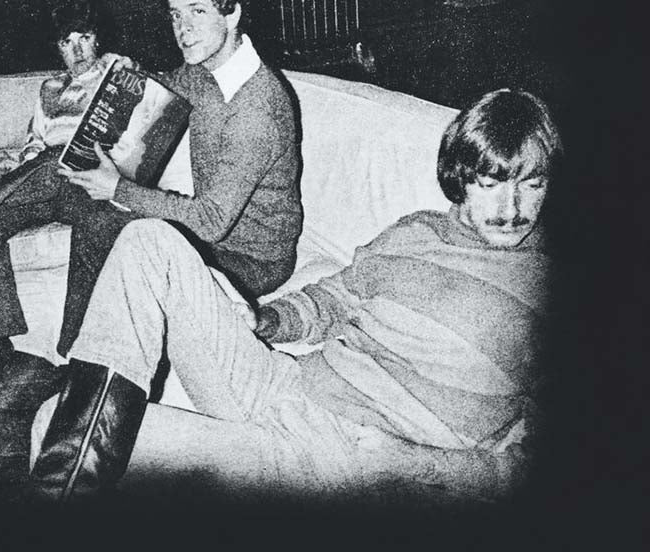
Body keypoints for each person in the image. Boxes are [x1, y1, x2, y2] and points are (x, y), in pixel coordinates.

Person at [31, 88, 561, 501]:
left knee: (57, 432)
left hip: (339, 459)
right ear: (462, 178)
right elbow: (333, 299)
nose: (511, 208)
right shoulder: (415, 230)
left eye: (531, 184)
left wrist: (409, 461)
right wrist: (263, 320)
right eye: (492, 182)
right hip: (287, 385)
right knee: (148, 241)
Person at [61, 0, 303, 312]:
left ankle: (99, 346)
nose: (182, 29)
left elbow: (211, 221)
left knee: (134, 258)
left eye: (197, 11)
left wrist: (118, 188)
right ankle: (79, 345)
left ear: (232, 14)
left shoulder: (256, 108)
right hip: (214, 236)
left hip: (251, 259)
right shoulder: (208, 64)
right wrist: (136, 73)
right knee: (94, 221)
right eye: (176, 14)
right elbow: (175, 83)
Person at [0, 0, 132, 391]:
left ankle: (74, 351)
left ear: (97, 38)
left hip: (87, 180)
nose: (77, 51)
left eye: (84, 38)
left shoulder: (117, 73)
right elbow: (33, 143)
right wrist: (34, 160)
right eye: (66, 42)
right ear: (57, 48)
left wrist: (124, 69)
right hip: (42, 180)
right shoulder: (50, 88)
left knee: (62, 187)